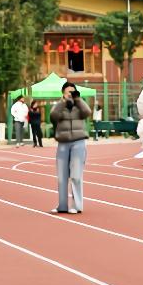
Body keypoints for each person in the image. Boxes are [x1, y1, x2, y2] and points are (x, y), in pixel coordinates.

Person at [49, 82, 92, 214]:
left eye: (72, 92)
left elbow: (87, 112)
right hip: (63, 143)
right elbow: (53, 116)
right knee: (62, 177)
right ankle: (62, 206)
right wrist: (63, 102)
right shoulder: (59, 105)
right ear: (63, 93)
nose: (70, 94)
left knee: (76, 176)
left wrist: (78, 99)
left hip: (78, 142)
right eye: (68, 92)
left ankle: (77, 206)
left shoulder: (80, 105)